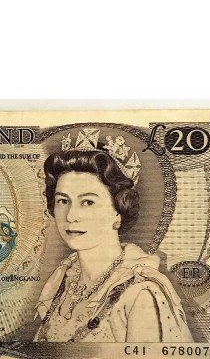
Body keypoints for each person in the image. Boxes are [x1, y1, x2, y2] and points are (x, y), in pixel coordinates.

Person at [35, 145, 193, 343]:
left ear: (118, 211)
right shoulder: (61, 281)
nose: (71, 216)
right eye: (63, 201)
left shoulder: (141, 293)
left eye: (88, 202)